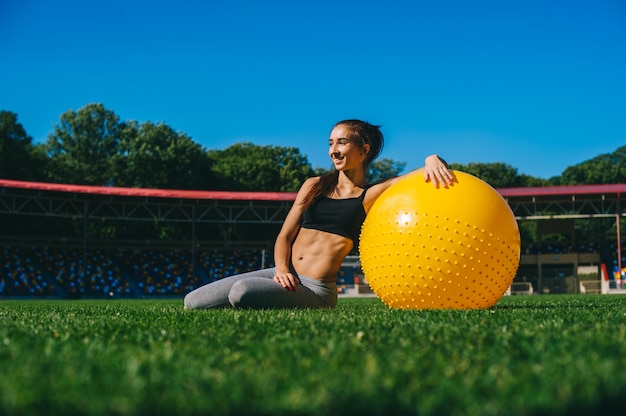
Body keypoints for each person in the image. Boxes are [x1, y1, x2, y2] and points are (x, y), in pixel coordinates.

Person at [184, 119, 453, 310]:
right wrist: (281, 270)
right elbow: (284, 236)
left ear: (364, 149)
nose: (333, 150)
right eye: (330, 143)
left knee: (241, 293)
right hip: (282, 274)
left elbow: (411, 177)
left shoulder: (369, 195)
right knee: (192, 302)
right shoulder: (313, 185)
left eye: (342, 142)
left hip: (315, 289)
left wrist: (431, 157)